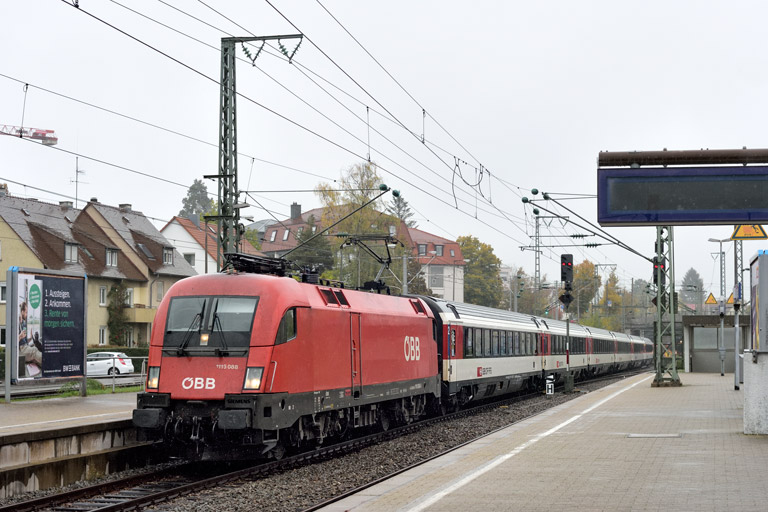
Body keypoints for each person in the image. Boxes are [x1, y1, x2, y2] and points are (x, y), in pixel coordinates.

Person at [18, 301, 42, 368]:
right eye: (26, 312)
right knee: (34, 350)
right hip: (21, 350)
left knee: (36, 346)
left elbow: (24, 341)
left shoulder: (24, 323)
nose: (27, 314)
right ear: (22, 311)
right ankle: (47, 361)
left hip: (25, 346)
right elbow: (13, 343)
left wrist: (30, 338)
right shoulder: (17, 323)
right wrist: (20, 336)